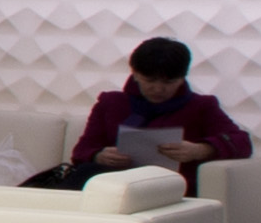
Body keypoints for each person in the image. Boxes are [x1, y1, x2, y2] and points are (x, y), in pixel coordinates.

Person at [32, 36, 245, 190]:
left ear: (183, 78)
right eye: (149, 80)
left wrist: (201, 150)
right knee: (89, 173)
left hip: (170, 186)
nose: (158, 89)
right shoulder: (111, 103)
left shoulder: (201, 106)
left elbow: (241, 142)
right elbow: (82, 151)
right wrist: (100, 155)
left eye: (169, 82)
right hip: (113, 183)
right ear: (134, 74)